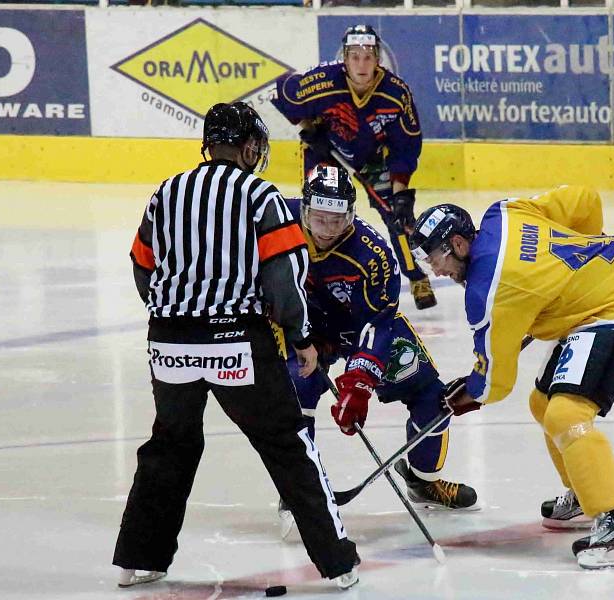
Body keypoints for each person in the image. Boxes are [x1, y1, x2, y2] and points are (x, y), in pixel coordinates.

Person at [114, 102, 359, 590]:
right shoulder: (260, 196)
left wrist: (174, 313)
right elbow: (285, 276)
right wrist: (301, 336)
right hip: (235, 340)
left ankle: (140, 560)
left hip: (169, 342)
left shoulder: (167, 192)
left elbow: (142, 264)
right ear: (249, 147)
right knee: (286, 443)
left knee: (170, 445)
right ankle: (337, 562)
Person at [408, 185, 614, 570]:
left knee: (566, 415)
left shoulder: (487, 292)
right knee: (542, 403)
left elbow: (495, 382)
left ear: (458, 243)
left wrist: (472, 392)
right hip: (597, 299)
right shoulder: (503, 213)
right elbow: (585, 199)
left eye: (437, 259)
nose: (436, 271)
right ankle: (583, 492)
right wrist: (583, 264)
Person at [276, 164, 479, 538]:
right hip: (303, 331)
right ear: (304, 208)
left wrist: (359, 382)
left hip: (362, 327)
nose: (326, 231)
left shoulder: (374, 253)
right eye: (319, 220)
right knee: (292, 397)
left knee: (433, 399)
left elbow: (378, 323)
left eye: (337, 221)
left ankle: (422, 479)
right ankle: (297, 491)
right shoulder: (275, 221)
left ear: (352, 215)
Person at [271, 24, 437, 311]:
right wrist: (310, 130)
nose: (362, 64)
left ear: (378, 60)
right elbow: (285, 90)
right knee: (321, 212)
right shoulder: (323, 80)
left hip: (375, 158)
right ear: (344, 60)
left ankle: (416, 276)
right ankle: (312, 277)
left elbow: (406, 147)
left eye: (368, 56)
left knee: (397, 216)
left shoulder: (396, 95)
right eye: (355, 56)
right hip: (327, 152)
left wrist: (400, 193)